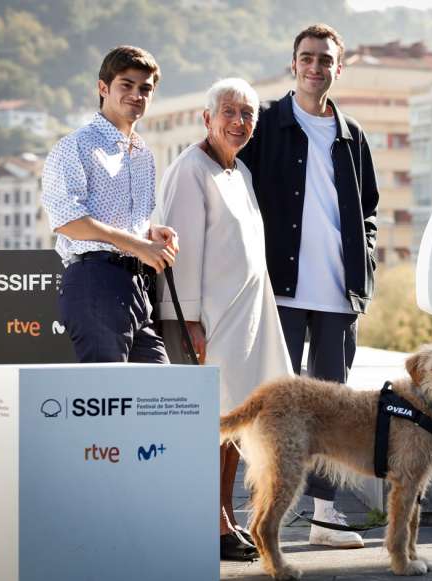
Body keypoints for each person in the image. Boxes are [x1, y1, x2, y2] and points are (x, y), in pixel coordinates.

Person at [239, 23, 379, 549]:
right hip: (279, 290)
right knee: (268, 407)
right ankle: (260, 515)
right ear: (292, 64)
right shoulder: (266, 124)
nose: (315, 67)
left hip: (339, 298)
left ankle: (324, 517)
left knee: (334, 410)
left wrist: (363, 265)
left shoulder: (352, 135)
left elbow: (369, 211)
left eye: (325, 60)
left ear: (338, 69)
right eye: (307, 58)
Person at [156, 78, 292, 561]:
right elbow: (180, 253)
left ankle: (226, 517)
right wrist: (189, 322)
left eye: (247, 114)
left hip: (246, 321)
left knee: (236, 424)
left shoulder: (240, 172)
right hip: (206, 323)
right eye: (229, 112)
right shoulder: (190, 170)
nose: (239, 122)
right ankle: (209, 523)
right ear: (207, 118)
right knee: (212, 425)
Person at [42, 45, 178, 363]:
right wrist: (136, 244)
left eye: (145, 88)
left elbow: (129, 224)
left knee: (161, 397)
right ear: (103, 88)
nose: (137, 95)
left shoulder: (143, 154)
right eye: (126, 85)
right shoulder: (75, 145)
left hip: (137, 287)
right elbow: (66, 220)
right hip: (94, 283)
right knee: (109, 402)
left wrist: (150, 234)